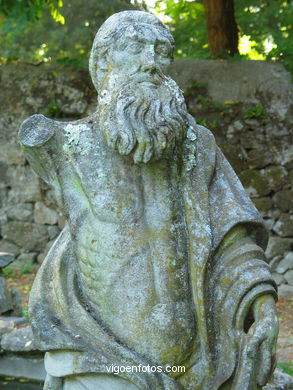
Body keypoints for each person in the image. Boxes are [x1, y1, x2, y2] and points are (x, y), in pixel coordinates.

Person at [19, 11, 278, 390]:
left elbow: (232, 239)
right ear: (103, 61)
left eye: (161, 51)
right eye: (135, 48)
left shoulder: (198, 147)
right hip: (103, 358)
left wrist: (264, 309)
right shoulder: (65, 146)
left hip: (202, 360)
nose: (151, 63)